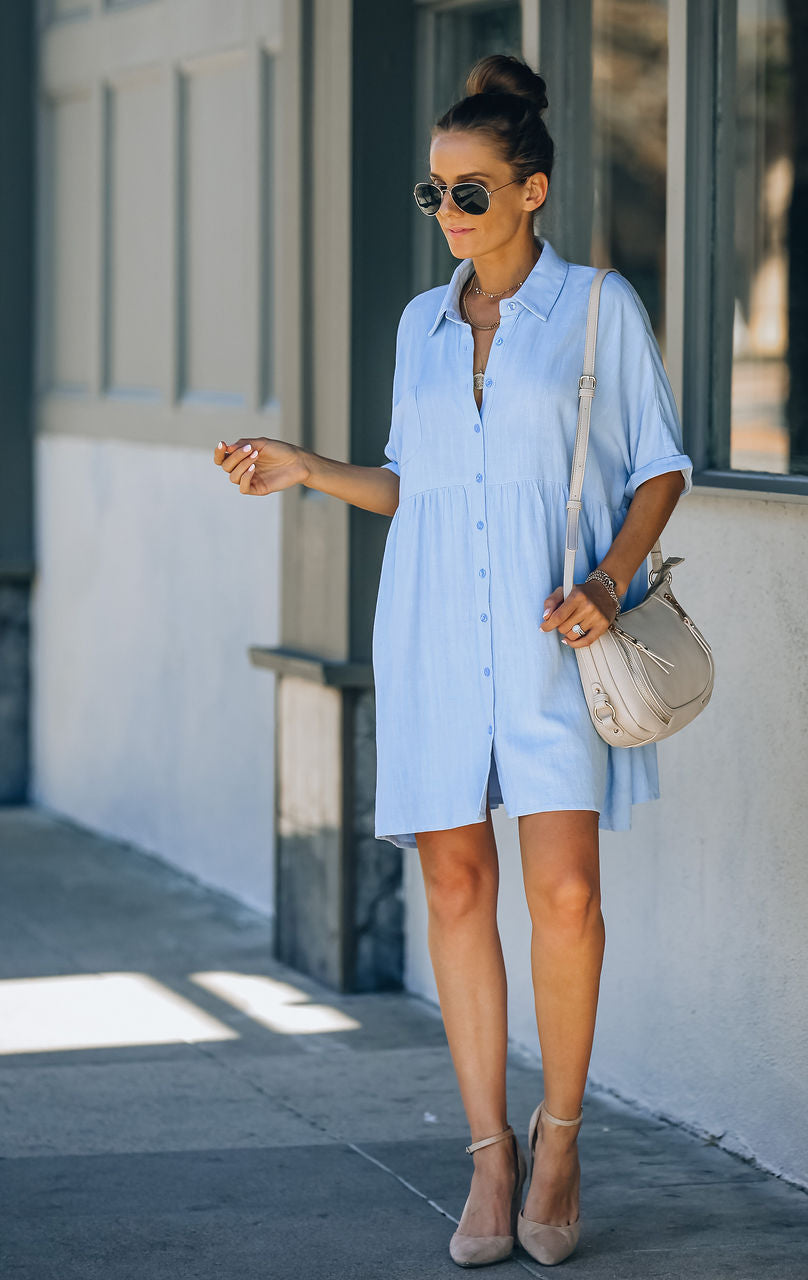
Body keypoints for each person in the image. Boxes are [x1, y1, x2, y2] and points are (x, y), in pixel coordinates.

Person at [213, 52, 692, 1270]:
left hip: (550, 636)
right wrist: (307, 468)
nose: (449, 217)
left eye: (471, 192)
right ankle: (488, 1152)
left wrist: (602, 579)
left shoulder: (596, 308)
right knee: (456, 889)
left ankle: (563, 1134)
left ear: (531, 190)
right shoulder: (420, 326)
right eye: (434, 195)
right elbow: (412, 482)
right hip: (428, 631)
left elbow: (659, 466)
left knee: (567, 898)